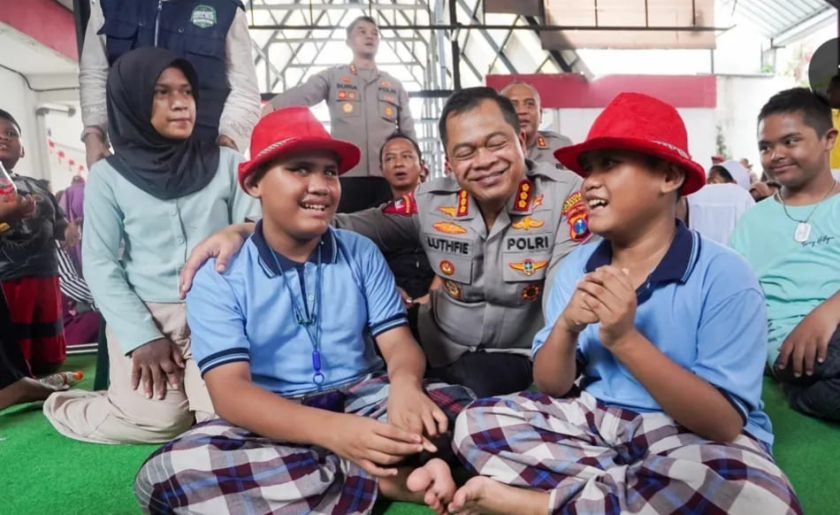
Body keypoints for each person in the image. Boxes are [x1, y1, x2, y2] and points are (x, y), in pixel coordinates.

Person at [448, 92, 801, 515]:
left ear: (668, 176)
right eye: (589, 169)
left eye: (610, 164)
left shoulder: (726, 275)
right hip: (594, 420)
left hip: (688, 435)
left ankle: (542, 505)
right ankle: (632, 492)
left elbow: (722, 424)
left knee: (761, 497)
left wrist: (625, 340)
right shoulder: (577, 267)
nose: (590, 182)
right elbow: (551, 386)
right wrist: (567, 327)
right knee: (474, 424)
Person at [133, 107, 474, 515]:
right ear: (253, 184)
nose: (320, 186)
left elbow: (398, 344)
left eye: (329, 172)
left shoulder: (361, 252)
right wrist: (336, 432)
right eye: (299, 170)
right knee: (167, 473)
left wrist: (405, 386)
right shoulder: (219, 274)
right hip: (273, 414)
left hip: (365, 397)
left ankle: (329, 474)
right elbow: (230, 392)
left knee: (462, 410)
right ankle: (385, 480)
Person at [178, 87, 590, 398]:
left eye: (496, 143)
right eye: (465, 152)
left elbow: (563, 303)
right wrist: (248, 229)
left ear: (522, 139)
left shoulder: (564, 198)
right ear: (448, 162)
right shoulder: (431, 201)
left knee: (460, 400)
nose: (483, 162)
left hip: (516, 354)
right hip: (433, 346)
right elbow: (340, 223)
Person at [42, 48, 261, 444]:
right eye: (162, 92)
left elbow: (258, 228)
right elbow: (100, 263)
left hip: (220, 312)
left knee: (224, 418)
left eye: (187, 91)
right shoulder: (108, 176)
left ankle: (190, 396)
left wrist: (242, 231)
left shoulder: (226, 163)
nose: (181, 103)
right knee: (159, 422)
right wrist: (141, 336)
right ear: (134, 100)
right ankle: (65, 404)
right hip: (146, 313)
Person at [731, 87, 840, 422]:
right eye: (765, 147)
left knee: (829, 395)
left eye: (790, 141)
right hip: (788, 351)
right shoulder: (751, 222)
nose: (776, 155)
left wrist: (827, 312)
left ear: (829, 139)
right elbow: (733, 297)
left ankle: (810, 396)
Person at [79, 0, 260, 167]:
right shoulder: (108, 5)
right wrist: (93, 135)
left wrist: (229, 141)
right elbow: (94, 73)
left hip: (204, 161)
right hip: (130, 160)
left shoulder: (226, 8)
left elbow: (244, 90)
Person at [263, 16, 416, 178]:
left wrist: (416, 163)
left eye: (375, 33)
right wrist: (271, 107)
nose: (369, 36)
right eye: (362, 32)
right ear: (349, 41)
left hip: (387, 177)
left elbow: (408, 130)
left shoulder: (394, 85)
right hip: (346, 175)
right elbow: (303, 94)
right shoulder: (333, 78)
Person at [0, 109, 71, 375]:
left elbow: (59, 222)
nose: (4, 138)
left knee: (49, 357)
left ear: (23, 149)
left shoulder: (36, 186)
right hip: (7, 280)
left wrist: (69, 230)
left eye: (11, 133)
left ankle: (46, 377)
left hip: (45, 275)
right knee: (14, 355)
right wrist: (9, 213)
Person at [376, 131, 435, 306]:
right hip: (390, 300)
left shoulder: (442, 207)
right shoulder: (376, 217)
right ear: (382, 170)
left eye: (406, 156)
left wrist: (435, 294)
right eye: (390, 158)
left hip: (443, 295)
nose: (398, 164)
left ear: (422, 166)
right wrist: (388, 288)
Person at [675, 159, 755, 245]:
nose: (706, 187)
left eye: (713, 182)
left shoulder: (742, 202)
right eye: (707, 182)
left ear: (732, 185)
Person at [500, 81, 572, 168]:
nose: (522, 111)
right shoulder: (493, 151)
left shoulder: (560, 146)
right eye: (513, 105)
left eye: (530, 104)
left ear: (540, 114)